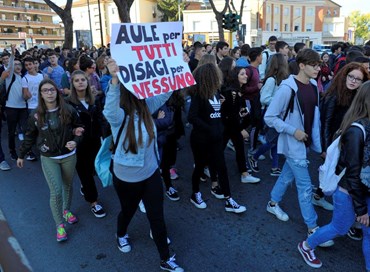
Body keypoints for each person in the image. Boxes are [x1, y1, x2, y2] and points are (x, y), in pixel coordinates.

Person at [103, 59, 184, 272]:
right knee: (127, 212)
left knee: (156, 215)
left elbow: (166, 92)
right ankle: (121, 234)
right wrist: (114, 80)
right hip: (126, 177)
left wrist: (178, 66)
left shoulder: (147, 106)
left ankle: (165, 259)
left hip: (150, 173)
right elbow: (109, 112)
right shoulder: (119, 114)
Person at [264, 49, 334, 247]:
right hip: (293, 144)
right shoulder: (287, 88)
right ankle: (313, 229)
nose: (318, 69)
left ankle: (272, 203)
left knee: (287, 175)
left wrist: (318, 145)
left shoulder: (312, 85)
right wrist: (293, 131)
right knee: (305, 187)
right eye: (314, 65)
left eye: (319, 65)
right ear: (302, 65)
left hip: (304, 144)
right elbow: (269, 117)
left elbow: (314, 119)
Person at [298, 81, 370, 270]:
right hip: (350, 191)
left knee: (369, 232)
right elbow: (353, 174)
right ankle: (306, 246)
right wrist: (361, 210)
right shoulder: (356, 130)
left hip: (365, 188)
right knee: (340, 227)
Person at [17, 79, 83, 242]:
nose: (49, 93)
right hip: (49, 158)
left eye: (52, 90)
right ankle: (60, 225)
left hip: (68, 155)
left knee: (68, 186)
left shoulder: (68, 109)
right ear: (40, 94)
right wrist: (21, 154)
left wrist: (76, 140)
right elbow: (29, 136)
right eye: (45, 90)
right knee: (56, 191)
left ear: (57, 91)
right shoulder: (35, 115)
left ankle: (66, 211)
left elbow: (80, 128)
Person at [188, 62, 246, 213]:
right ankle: (195, 194)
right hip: (201, 139)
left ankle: (229, 199)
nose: (219, 77)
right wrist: (210, 129)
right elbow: (192, 117)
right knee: (200, 167)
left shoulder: (216, 92)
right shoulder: (198, 94)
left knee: (222, 167)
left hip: (216, 138)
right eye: (216, 74)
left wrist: (219, 126)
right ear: (209, 76)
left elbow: (216, 115)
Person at [319, 62, 369, 234]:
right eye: (351, 77)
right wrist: (325, 148)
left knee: (344, 178)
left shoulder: (360, 98)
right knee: (336, 177)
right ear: (345, 75)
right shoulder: (334, 95)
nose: (353, 81)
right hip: (335, 144)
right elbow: (325, 124)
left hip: (350, 143)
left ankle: (346, 216)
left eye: (358, 79)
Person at [66, 70, 110, 218]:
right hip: (79, 144)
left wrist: (107, 138)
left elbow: (101, 119)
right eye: (76, 80)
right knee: (85, 173)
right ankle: (94, 201)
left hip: (95, 141)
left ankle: (86, 187)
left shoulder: (94, 100)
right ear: (72, 83)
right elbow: (65, 125)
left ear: (87, 82)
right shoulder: (68, 103)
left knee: (95, 169)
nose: (80, 82)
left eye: (83, 80)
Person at [248, 53, 290, 176]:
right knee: (272, 140)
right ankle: (254, 157)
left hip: (277, 113)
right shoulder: (271, 80)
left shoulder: (280, 79)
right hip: (271, 114)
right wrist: (280, 102)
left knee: (275, 140)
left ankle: (275, 167)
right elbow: (264, 99)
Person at [221, 65, 260, 184]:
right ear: (235, 77)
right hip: (228, 127)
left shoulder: (239, 91)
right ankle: (203, 166)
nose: (246, 76)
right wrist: (240, 129)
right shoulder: (232, 92)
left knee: (239, 148)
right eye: (242, 74)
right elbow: (229, 115)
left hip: (233, 127)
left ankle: (244, 173)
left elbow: (240, 114)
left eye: (245, 73)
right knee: (219, 149)